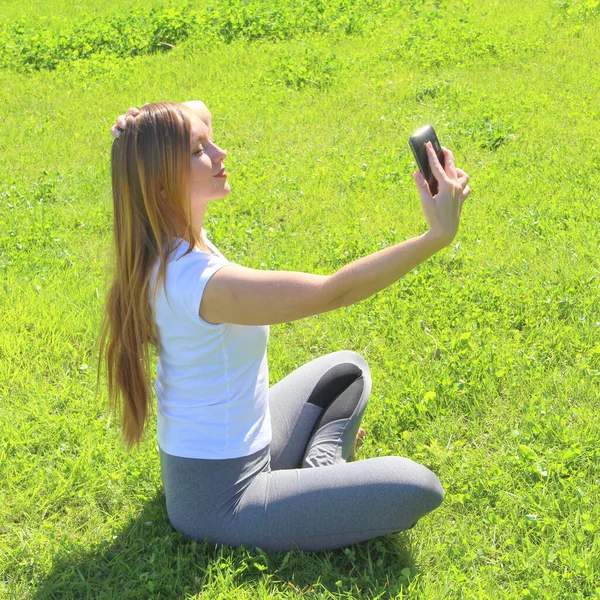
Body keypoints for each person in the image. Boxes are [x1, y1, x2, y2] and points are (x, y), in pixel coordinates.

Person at [97, 100, 471, 553]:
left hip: (250, 441)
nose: (220, 153)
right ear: (159, 183)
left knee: (346, 370)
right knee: (417, 486)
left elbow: (198, 110)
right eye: (200, 150)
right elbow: (332, 292)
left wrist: (141, 127)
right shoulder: (197, 281)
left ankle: (318, 472)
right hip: (222, 497)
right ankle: (319, 478)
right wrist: (437, 236)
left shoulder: (170, 242)